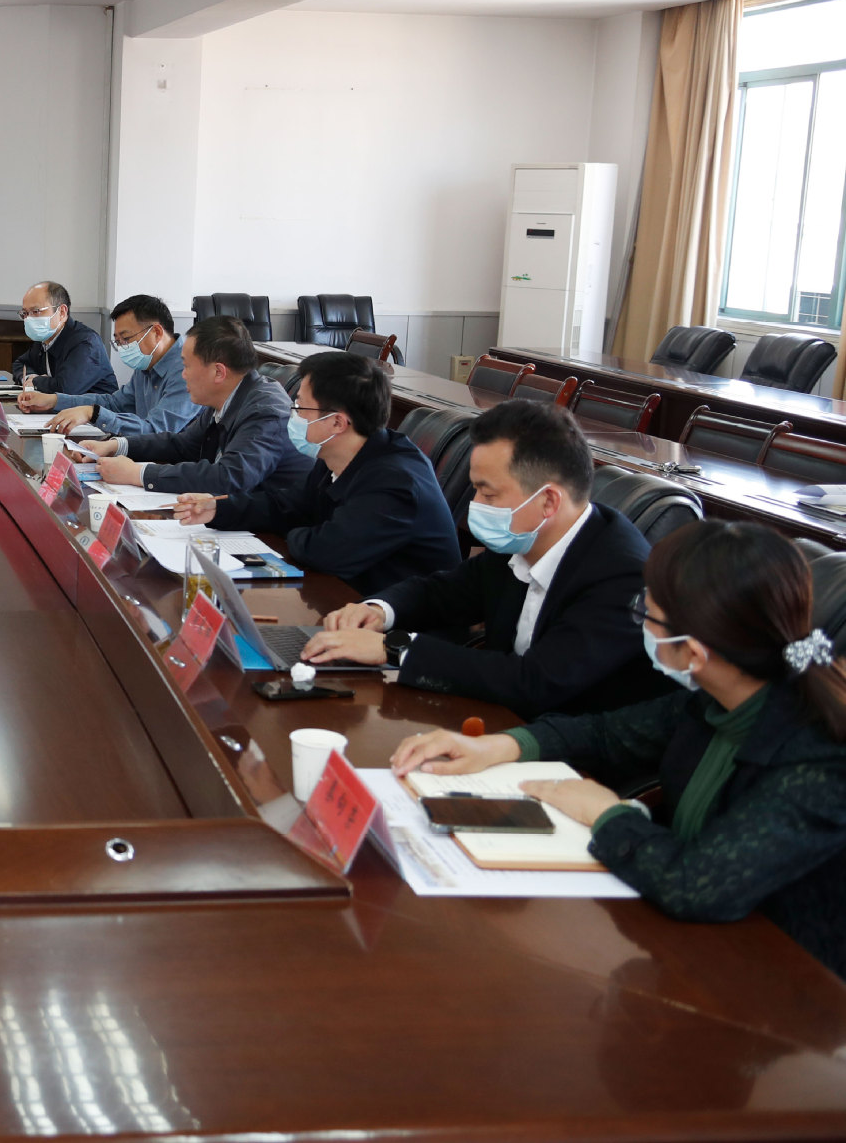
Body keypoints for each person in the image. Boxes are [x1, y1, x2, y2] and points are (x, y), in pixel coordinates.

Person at [392, 520, 846, 977]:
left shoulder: (819, 759)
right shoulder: (717, 697)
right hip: (693, 942)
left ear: (694, 653)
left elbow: (692, 883)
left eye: (648, 614)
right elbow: (608, 733)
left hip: (781, 977)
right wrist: (503, 745)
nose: (641, 622)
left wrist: (605, 812)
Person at [302, 399, 662, 718]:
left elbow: (536, 681)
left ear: (548, 501)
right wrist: (379, 611)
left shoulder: (621, 576)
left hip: (571, 751)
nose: (474, 505)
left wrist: (393, 650)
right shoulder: (524, 539)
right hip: (499, 719)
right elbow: (442, 591)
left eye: (488, 495)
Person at [174, 351, 460, 594]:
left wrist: (297, 530)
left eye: (301, 407)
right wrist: (218, 508)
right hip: (349, 597)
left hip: (403, 627)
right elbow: (286, 505)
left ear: (337, 423)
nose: (293, 415)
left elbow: (326, 551)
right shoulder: (335, 455)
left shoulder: (395, 482)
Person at [83, 316, 311, 503]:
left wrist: (138, 474)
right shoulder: (226, 397)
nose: (183, 375)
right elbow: (182, 445)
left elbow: (229, 476)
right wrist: (117, 446)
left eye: (187, 366)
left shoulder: (265, 411)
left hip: (275, 532)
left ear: (218, 372)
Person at [17, 294, 201, 436]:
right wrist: (54, 401)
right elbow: (115, 403)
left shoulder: (188, 369)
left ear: (157, 332)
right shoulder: (148, 362)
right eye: (118, 341)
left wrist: (93, 413)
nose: (123, 348)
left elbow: (158, 430)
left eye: (126, 338)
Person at [10, 281, 118, 397]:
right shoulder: (45, 339)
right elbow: (20, 363)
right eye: (25, 313)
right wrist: (29, 378)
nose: (28, 319)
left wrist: (36, 381)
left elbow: (65, 389)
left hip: (96, 408)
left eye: (36, 311)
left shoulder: (86, 343)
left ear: (61, 312)